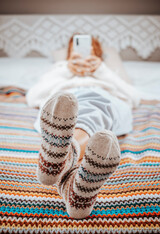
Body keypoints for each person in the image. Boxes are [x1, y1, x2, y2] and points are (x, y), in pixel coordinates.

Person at [26, 34, 141, 219]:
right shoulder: (59, 69)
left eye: (91, 50)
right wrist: (66, 69)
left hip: (103, 98)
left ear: (98, 53)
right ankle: (75, 194)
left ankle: (62, 155)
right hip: (64, 99)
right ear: (69, 53)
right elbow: (32, 96)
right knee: (64, 104)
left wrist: (101, 70)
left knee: (92, 109)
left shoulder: (107, 71)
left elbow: (135, 97)